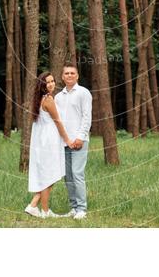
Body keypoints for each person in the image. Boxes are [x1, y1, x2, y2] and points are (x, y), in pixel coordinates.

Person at [25, 72, 73, 218]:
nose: (51, 84)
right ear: (42, 85)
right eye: (48, 82)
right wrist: (67, 140)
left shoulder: (39, 99)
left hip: (42, 141)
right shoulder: (48, 100)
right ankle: (45, 212)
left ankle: (33, 205)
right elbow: (58, 122)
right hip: (49, 142)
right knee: (49, 176)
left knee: (49, 175)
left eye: (53, 81)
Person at [54, 62, 92, 220]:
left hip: (78, 141)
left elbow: (86, 116)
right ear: (62, 77)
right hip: (63, 141)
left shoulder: (83, 93)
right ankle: (74, 207)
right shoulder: (58, 97)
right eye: (66, 73)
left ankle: (82, 209)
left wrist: (80, 137)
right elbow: (57, 120)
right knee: (68, 176)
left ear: (77, 76)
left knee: (77, 174)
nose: (69, 75)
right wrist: (62, 139)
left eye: (72, 73)